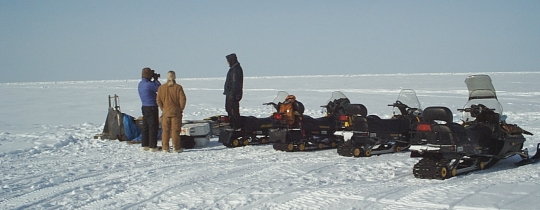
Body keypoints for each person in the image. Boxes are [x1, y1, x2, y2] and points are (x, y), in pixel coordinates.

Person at [157, 71, 187, 153]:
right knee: (175, 130)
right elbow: (183, 99)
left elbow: (158, 100)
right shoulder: (178, 87)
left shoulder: (161, 88)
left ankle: (165, 147)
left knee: (165, 130)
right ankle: (176, 147)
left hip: (166, 112)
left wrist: (163, 109)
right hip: (176, 112)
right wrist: (181, 109)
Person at [138, 67, 161, 152]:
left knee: (145, 126)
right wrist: (156, 80)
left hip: (144, 106)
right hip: (152, 107)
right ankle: (153, 146)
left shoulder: (141, 84)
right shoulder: (149, 84)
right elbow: (159, 89)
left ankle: (145, 144)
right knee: (153, 126)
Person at [223, 53, 244, 128]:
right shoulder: (233, 69)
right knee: (229, 109)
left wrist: (232, 94)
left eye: (228, 60)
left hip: (233, 94)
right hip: (230, 93)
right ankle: (233, 125)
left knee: (233, 111)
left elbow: (235, 83)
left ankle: (236, 126)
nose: (227, 62)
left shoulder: (235, 70)